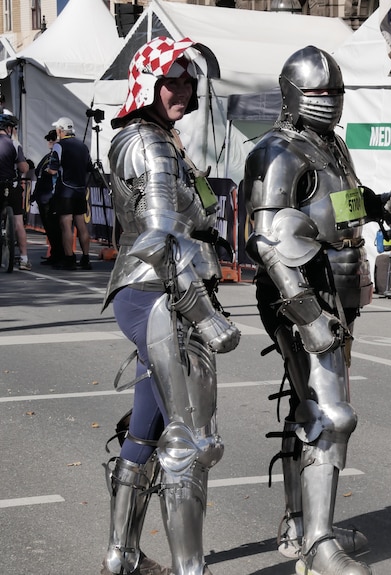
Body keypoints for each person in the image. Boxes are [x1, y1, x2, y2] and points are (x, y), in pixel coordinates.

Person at [243, 45, 391, 575]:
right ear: (292, 94)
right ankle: (318, 543)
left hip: (336, 291)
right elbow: (262, 240)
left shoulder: (329, 148)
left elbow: (343, 205)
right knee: (331, 416)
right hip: (299, 293)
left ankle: (300, 524)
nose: (328, 100)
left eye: (335, 92)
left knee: (309, 410)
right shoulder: (275, 152)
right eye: (318, 92)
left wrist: (385, 204)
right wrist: (307, 314)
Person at [100, 36, 241, 575]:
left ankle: (122, 554)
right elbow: (160, 238)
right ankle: (190, 570)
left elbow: (190, 220)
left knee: (147, 428)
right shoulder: (150, 145)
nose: (181, 90)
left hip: (160, 293)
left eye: (186, 81)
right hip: (162, 295)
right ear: (147, 86)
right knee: (190, 442)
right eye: (171, 81)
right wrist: (206, 314)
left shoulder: (162, 140)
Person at [46, 115, 92, 270]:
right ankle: (86, 258)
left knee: (66, 225)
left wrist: (49, 170)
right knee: (81, 224)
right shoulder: (83, 146)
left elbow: (53, 169)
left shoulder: (60, 146)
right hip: (80, 190)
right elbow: (89, 168)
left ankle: (69, 258)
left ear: (60, 130)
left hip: (65, 190)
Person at [0, 114, 31, 270]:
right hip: (11, 186)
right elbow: (23, 168)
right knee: (18, 222)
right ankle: (24, 259)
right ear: (9, 128)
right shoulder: (14, 143)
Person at [32, 129, 63, 266]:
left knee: (55, 228)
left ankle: (58, 255)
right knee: (50, 229)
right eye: (48, 139)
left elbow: (54, 173)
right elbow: (39, 174)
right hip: (42, 196)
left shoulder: (56, 156)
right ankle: (54, 254)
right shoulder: (47, 156)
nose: (50, 141)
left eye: (53, 138)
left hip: (51, 197)